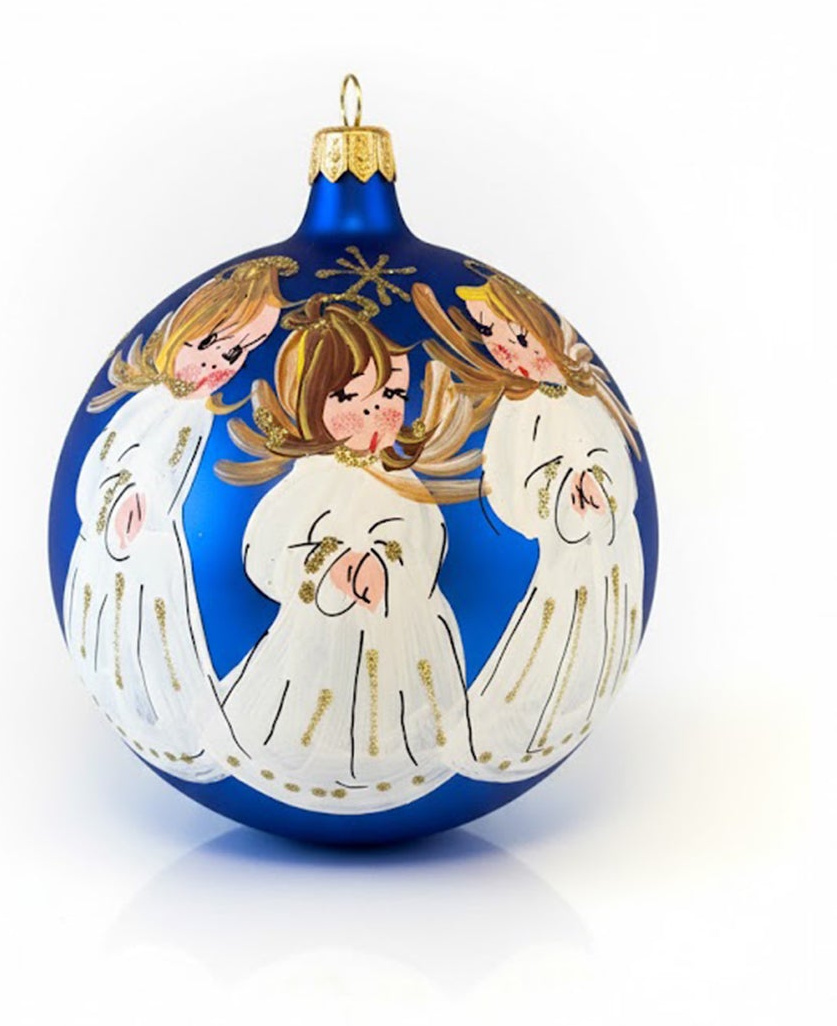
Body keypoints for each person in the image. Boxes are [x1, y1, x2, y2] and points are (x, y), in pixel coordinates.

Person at [215, 296, 478, 810]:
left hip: (403, 627)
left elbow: (429, 543)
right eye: (353, 397)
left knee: (400, 705)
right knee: (320, 699)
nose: (377, 412)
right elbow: (267, 553)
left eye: (393, 394)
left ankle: (396, 763)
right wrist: (329, 568)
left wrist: (391, 565)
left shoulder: (402, 480)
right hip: (322, 629)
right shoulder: (311, 479)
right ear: (312, 401)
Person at [62, 256, 294, 780]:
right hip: (122, 545)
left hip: (156, 549)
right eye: (210, 345)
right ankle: (139, 709)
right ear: (182, 329)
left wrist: (149, 505)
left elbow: (175, 479)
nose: (220, 365)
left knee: (159, 638)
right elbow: (100, 464)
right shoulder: (148, 402)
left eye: (238, 353)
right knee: (119, 627)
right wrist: (121, 498)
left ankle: (168, 718)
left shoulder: (197, 411)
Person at [415, 268, 644, 778]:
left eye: (518, 337)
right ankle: (529, 721)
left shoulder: (587, 391)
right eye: (491, 337)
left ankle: (573, 706)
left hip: (610, 546)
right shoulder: (520, 408)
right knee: (556, 628)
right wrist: (561, 493)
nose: (507, 351)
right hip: (565, 548)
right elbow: (506, 483)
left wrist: (600, 486)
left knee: (603, 620)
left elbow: (622, 470)